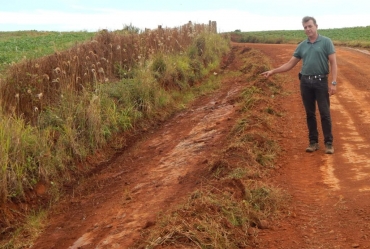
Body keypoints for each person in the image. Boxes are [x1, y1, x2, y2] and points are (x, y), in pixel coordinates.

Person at [260, 16, 337, 154]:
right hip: (306, 82)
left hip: (321, 82)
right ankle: (313, 142)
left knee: (325, 113)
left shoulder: (326, 42)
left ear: (316, 26)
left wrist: (334, 82)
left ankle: (328, 143)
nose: (308, 29)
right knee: (309, 113)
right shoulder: (302, 45)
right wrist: (273, 71)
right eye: (305, 27)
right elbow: (290, 64)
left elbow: (333, 63)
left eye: (310, 26)